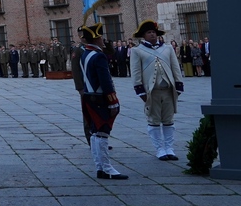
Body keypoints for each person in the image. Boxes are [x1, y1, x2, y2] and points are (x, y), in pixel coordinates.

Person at [77, 22, 128, 180]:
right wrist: (113, 101)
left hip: (89, 96)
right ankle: (106, 168)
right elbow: (105, 81)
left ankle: (100, 167)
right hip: (100, 98)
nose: (103, 40)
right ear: (97, 39)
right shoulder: (99, 56)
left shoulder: (85, 53)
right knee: (103, 132)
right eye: (100, 37)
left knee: (95, 133)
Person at [130, 19, 185, 161]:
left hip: (168, 90)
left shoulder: (167, 48)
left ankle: (169, 148)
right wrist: (140, 91)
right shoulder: (137, 51)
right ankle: (159, 149)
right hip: (152, 91)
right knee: (154, 120)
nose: (152, 35)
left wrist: (178, 85)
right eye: (149, 32)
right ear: (143, 35)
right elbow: (136, 73)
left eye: (154, 32)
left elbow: (175, 67)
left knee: (168, 120)